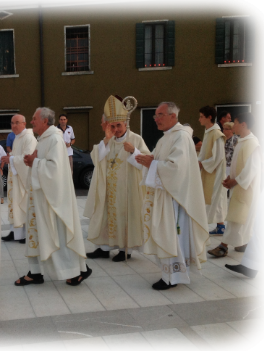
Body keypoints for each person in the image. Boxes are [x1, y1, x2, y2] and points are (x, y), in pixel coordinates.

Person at [135, 102, 209, 290]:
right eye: (155, 116)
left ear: (173, 116)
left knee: (172, 234)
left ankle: (173, 276)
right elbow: (156, 161)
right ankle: (170, 273)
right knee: (167, 234)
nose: (156, 119)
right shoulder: (165, 138)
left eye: (160, 115)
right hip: (165, 194)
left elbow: (176, 168)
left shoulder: (181, 137)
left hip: (175, 198)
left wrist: (152, 164)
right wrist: (148, 162)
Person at [15, 107, 90, 287]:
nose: (31, 122)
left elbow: (54, 169)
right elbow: (41, 163)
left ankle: (79, 270)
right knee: (38, 233)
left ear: (45, 121)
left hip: (52, 199)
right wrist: (31, 161)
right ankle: (35, 272)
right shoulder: (43, 139)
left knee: (59, 236)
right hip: (41, 196)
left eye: (34, 119)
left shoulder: (55, 139)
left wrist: (35, 162)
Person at [84, 96, 150, 262]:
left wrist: (134, 151)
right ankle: (104, 248)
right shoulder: (109, 139)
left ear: (125, 124)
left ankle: (124, 249)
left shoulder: (135, 139)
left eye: (118, 125)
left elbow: (147, 160)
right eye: (112, 126)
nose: (116, 129)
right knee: (105, 215)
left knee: (123, 216)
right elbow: (96, 158)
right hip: (108, 188)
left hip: (126, 189)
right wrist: (106, 140)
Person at [208, 113, 264, 257]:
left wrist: (235, 180)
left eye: (236, 123)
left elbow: (251, 169)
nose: (233, 126)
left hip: (246, 188)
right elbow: (237, 165)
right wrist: (230, 178)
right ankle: (243, 243)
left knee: (236, 217)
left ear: (243, 125)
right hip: (239, 185)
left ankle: (223, 246)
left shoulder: (252, 143)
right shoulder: (242, 141)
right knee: (241, 218)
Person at [0, 114, 38, 244]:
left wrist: (10, 159)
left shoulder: (29, 138)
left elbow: (27, 159)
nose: (14, 125)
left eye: (17, 122)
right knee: (14, 205)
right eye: (12, 123)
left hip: (23, 179)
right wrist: (10, 157)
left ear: (24, 124)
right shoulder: (16, 138)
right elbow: (17, 156)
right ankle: (15, 232)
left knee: (23, 204)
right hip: (15, 178)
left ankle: (25, 234)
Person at [197, 106, 228, 235]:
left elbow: (219, 156)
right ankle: (218, 226)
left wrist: (202, 164)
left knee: (216, 198)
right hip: (208, 170)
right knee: (214, 198)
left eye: (201, 117)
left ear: (209, 117)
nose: (199, 119)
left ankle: (218, 225)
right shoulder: (209, 132)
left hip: (215, 173)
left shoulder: (217, 134)